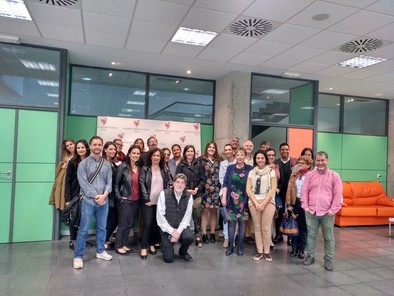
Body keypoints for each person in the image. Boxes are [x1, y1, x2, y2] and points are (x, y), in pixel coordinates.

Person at [73, 136, 113, 269]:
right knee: (83, 229)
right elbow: (83, 183)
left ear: (102, 147)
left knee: (102, 228)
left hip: (104, 202)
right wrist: (97, 196)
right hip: (88, 202)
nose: (97, 147)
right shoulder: (83, 164)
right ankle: (78, 256)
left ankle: (101, 251)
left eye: (99, 144)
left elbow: (109, 183)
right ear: (90, 146)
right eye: (94, 144)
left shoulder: (107, 164)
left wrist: (105, 195)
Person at [301, 151, 343, 271]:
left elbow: (338, 195)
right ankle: (310, 256)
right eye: (318, 160)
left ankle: (328, 259)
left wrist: (332, 210)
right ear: (315, 160)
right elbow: (304, 192)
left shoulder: (334, 176)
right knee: (311, 235)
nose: (320, 163)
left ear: (327, 160)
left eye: (322, 160)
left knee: (329, 237)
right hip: (311, 211)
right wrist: (306, 207)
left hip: (327, 213)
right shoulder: (310, 175)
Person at [139, 147, 171, 259]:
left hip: (160, 202)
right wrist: (146, 198)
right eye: (154, 155)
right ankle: (144, 247)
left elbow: (168, 184)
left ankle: (152, 244)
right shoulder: (145, 169)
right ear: (150, 157)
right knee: (147, 224)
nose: (156, 157)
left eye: (158, 155)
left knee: (156, 225)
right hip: (148, 202)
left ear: (161, 157)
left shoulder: (164, 169)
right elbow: (142, 184)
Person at [221, 147, 253, 256]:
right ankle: (230, 247)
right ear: (235, 156)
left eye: (242, 155)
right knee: (231, 223)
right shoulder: (230, 168)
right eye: (238, 155)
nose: (240, 157)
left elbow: (252, 185)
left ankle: (240, 247)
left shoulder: (250, 168)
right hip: (231, 199)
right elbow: (225, 183)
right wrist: (224, 197)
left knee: (242, 223)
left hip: (244, 200)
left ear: (245, 156)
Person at [246, 150, 277, 262]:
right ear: (255, 159)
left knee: (266, 228)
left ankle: (267, 252)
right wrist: (256, 202)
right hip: (254, 202)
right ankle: (259, 251)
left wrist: (263, 203)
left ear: (265, 159)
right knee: (257, 228)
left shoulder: (271, 172)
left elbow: (273, 189)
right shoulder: (251, 172)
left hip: (268, 202)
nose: (260, 160)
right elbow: (248, 189)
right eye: (258, 158)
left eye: (262, 158)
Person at [156, 173, 194, 263]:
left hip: (180, 226)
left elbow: (187, 218)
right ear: (173, 183)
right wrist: (172, 231)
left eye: (182, 183)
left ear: (185, 185)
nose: (180, 185)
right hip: (166, 228)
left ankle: (183, 252)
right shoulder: (164, 194)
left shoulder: (189, 196)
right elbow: (160, 217)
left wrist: (178, 232)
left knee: (189, 237)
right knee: (168, 259)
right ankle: (166, 245)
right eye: (177, 182)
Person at [175, 145, 206, 247]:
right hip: (184, 194)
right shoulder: (181, 165)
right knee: (183, 216)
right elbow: (177, 180)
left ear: (194, 153)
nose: (190, 153)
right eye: (188, 151)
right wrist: (185, 189)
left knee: (196, 216)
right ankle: (181, 235)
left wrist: (197, 188)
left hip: (197, 193)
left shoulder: (199, 163)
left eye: (192, 151)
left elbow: (203, 179)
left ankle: (197, 237)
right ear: (185, 153)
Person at [114, 145, 141, 255]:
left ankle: (123, 243)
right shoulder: (123, 167)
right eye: (133, 153)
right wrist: (119, 196)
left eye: (138, 153)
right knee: (123, 223)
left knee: (130, 223)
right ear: (129, 154)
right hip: (125, 199)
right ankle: (118, 246)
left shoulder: (139, 168)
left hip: (136, 199)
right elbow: (116, 183)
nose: (136, 155)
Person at [285, 155, 313, 259]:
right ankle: (294, 248)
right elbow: (289, 189)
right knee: (294, 227)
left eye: (302, 163)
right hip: (295, 202)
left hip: (306, 204)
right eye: (299, 163)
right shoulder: (295, 175)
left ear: (308, 165)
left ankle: (302, 249)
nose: (299, 165)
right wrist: (288, 204)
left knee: (303, 228)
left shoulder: (311, 176)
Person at [64, 139, 89, 250]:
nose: (80, 150)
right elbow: (68, 180)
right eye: (78, 148)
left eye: (82, 147)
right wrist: (68, 198)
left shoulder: (91, 161)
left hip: (87, 194)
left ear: (87, 148)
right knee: (73, 217)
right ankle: (73, 240)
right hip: (75, 193)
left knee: (84, 217)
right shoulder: (72, 162)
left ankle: (81, 239)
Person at [274, 143, 297, 244]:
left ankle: (290, 237)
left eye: (287, 149)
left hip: (291, 192)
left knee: (291, 213)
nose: (285, 151)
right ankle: (279, 235)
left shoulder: (294, 162)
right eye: (282, 149)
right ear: (280, 151)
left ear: (289, 150)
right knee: (278, 213)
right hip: (279, 191)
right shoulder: (276, 162)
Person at [200, 141, 222, 244]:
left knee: (214, 212)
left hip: (216, 189)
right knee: (204, 211)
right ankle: (204, 233)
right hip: (205, 189)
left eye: (213, 147)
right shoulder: (201, 159)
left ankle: (213, 233)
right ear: (206, 148)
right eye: (209, 147)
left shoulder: (219, 160)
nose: (211, 149)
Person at [49, 138, 75, 210]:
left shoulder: (79, 155)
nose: (69, 146)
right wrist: (63, 165)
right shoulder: (65, 157)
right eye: (67, 146)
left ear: (74, 144)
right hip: (65, 180)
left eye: (71, 144)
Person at [219, 143, 236, 248]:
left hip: (236, 193)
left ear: (233, 151)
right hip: (224, 192)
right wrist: (227, 189)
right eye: (226, 150)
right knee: (226, 217)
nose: (228, 151)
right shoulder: (222, 163)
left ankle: (232, 238)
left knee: (234, 217)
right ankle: (226, 237)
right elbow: (221, 178)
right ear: (224, 152)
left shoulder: (237, 162)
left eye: (230, 149)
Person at [102, 141, 118, 251]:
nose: (113, 151)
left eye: (114, 149)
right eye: (110, 149)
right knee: (110, 219)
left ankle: (106, 239)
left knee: (113, 219)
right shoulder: (103, 162)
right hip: (106, 195)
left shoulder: (112, 162)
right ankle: (104, 241)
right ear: (105, 150)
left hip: (113, 195)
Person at [243, 140, 255, 243]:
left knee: (250, 211)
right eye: (246, 145)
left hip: (252, 188)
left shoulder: (255, 158)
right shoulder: (240, 156)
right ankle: (241, 233)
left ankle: (248, 233)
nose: (248, 147)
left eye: (250, 146)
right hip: (241, 187)